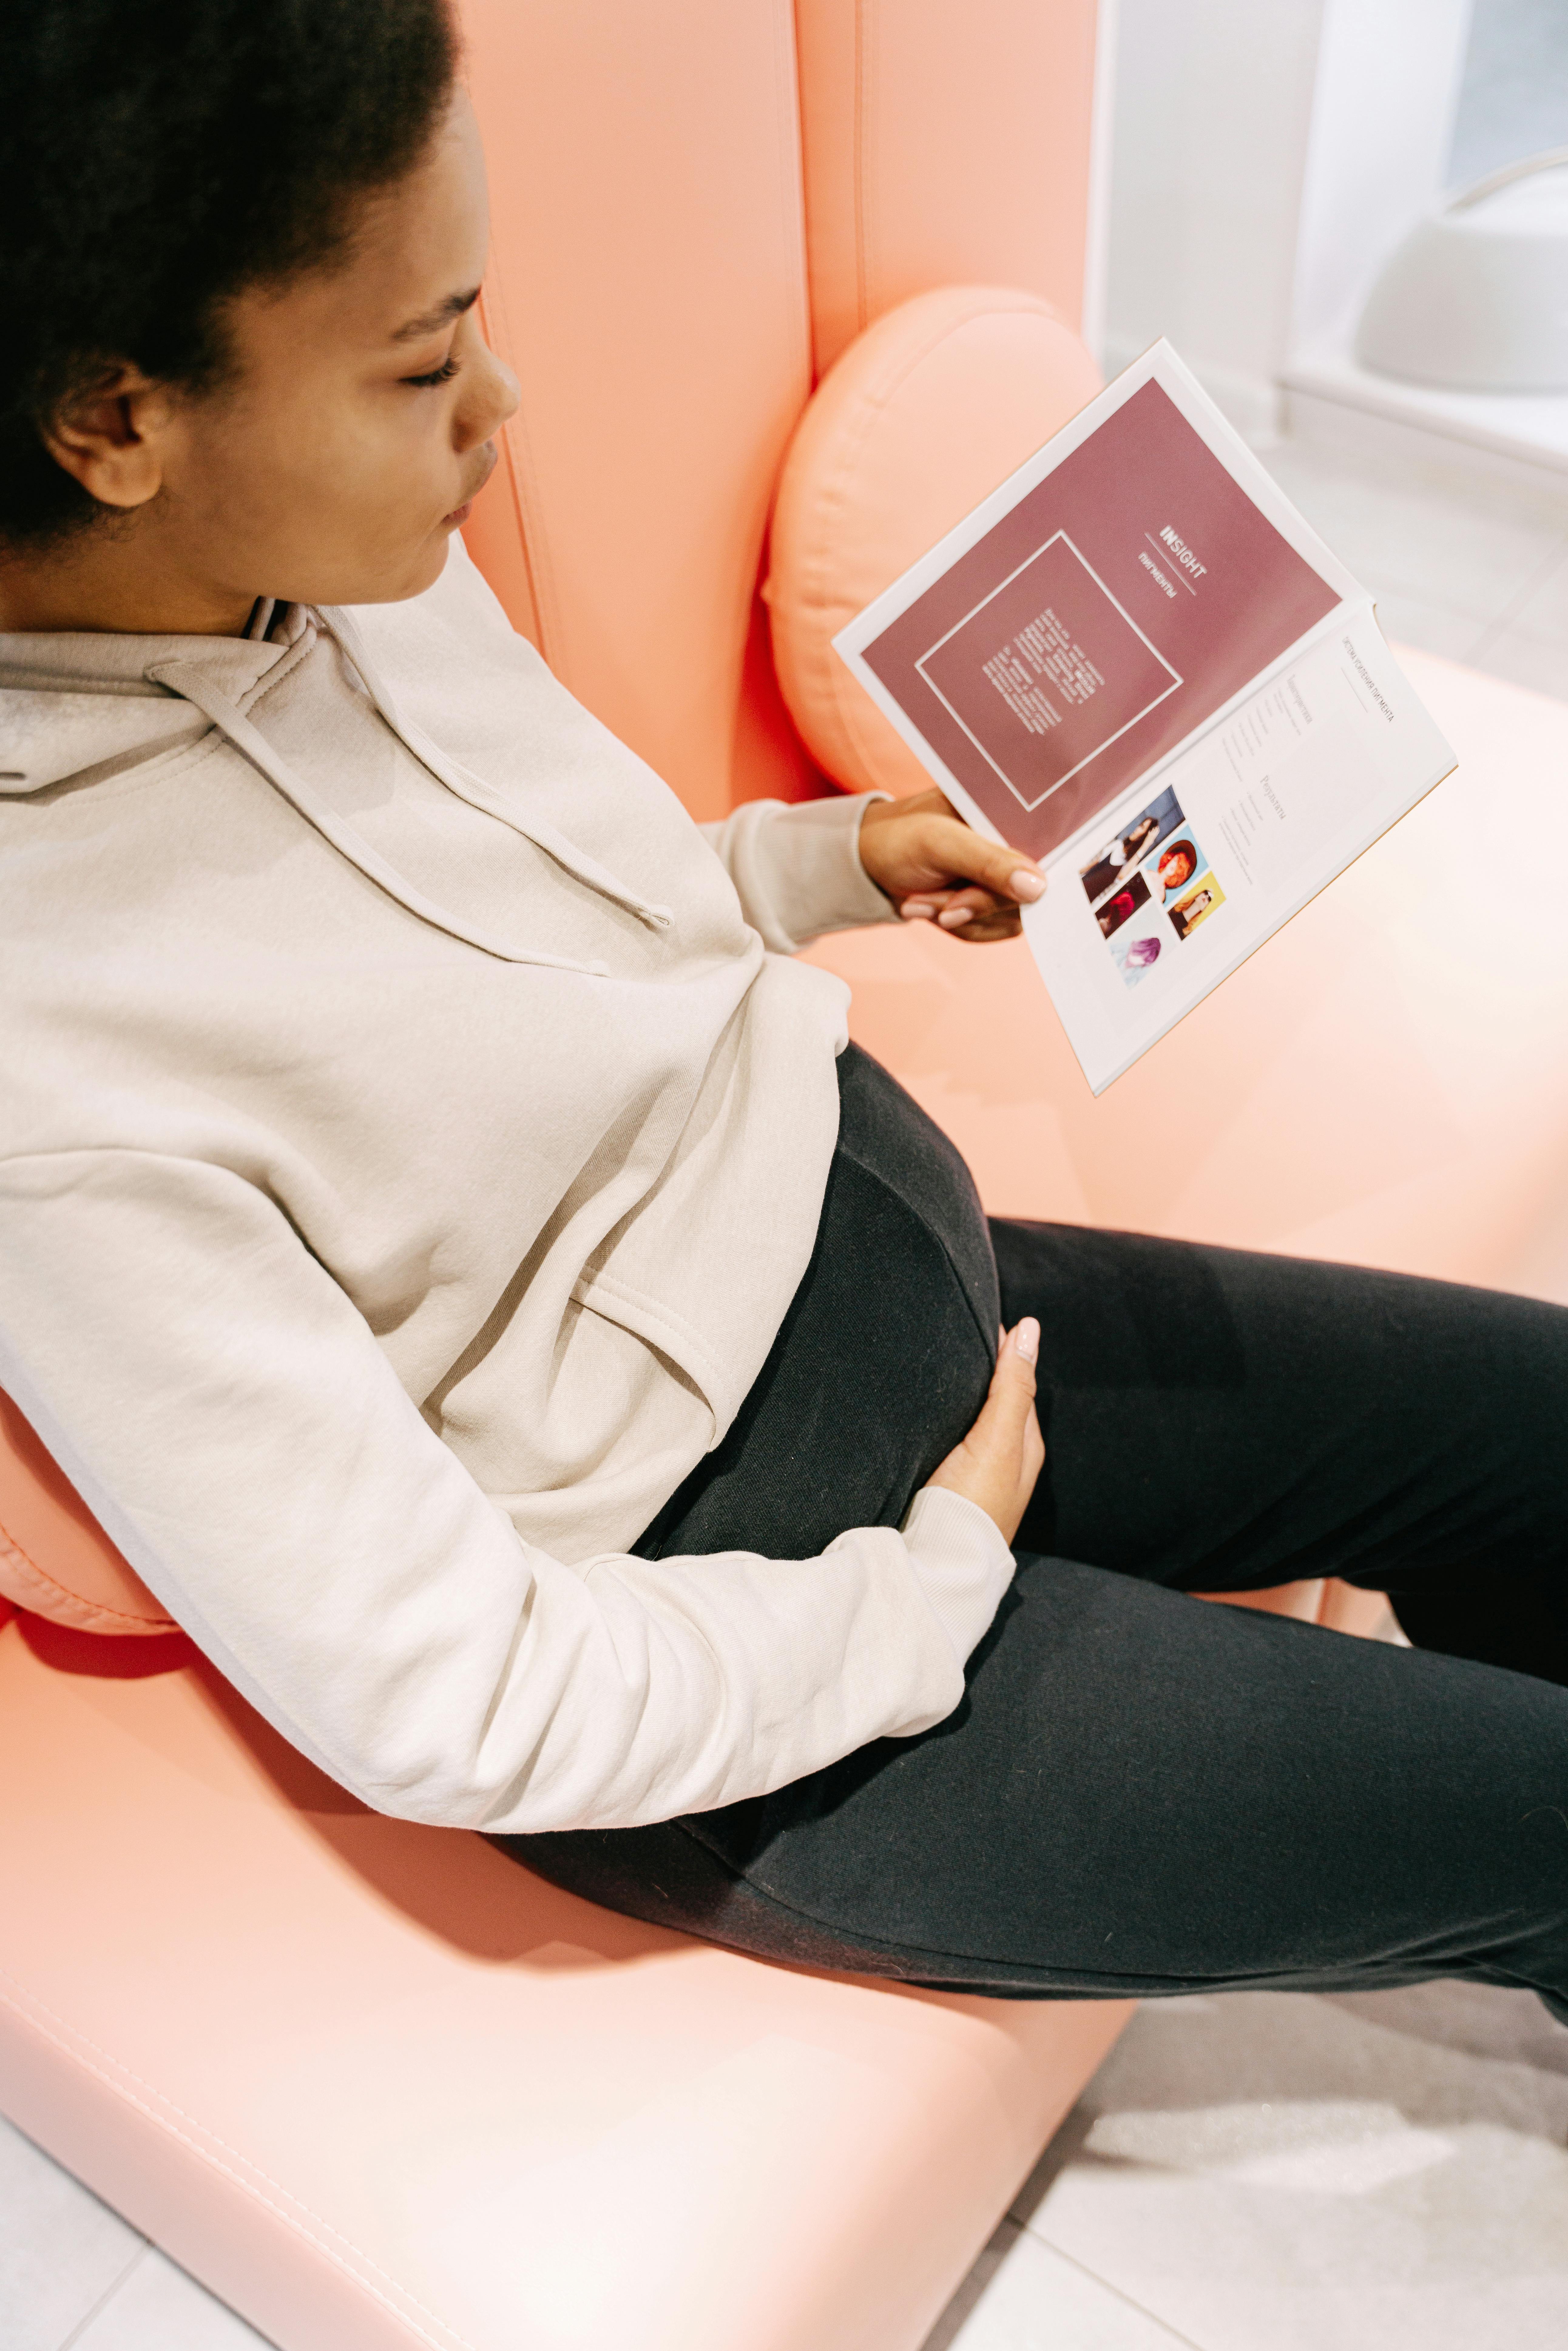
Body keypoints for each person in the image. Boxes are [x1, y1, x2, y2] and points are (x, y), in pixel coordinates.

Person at [3, 0, 1566, 2023]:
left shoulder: (325, 562)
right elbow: (446, 1690)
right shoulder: (52, 1056)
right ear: (117, 424)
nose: (502, 406)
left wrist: (825, 865)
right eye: (420, 362)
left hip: (913, 1285)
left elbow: (525, 940)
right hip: (740, 1647)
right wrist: (922, 1590)